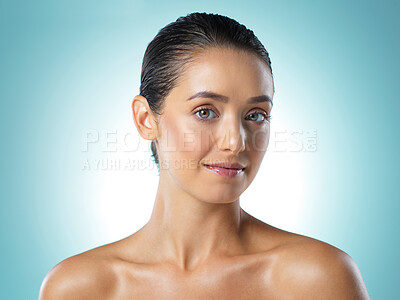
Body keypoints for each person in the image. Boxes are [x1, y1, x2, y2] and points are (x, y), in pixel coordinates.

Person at [39, 12, 370, 299]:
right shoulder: (78, 288)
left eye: (255, 115)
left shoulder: (318, 279)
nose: (235, 142)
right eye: (206, 112)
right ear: (145, 120)